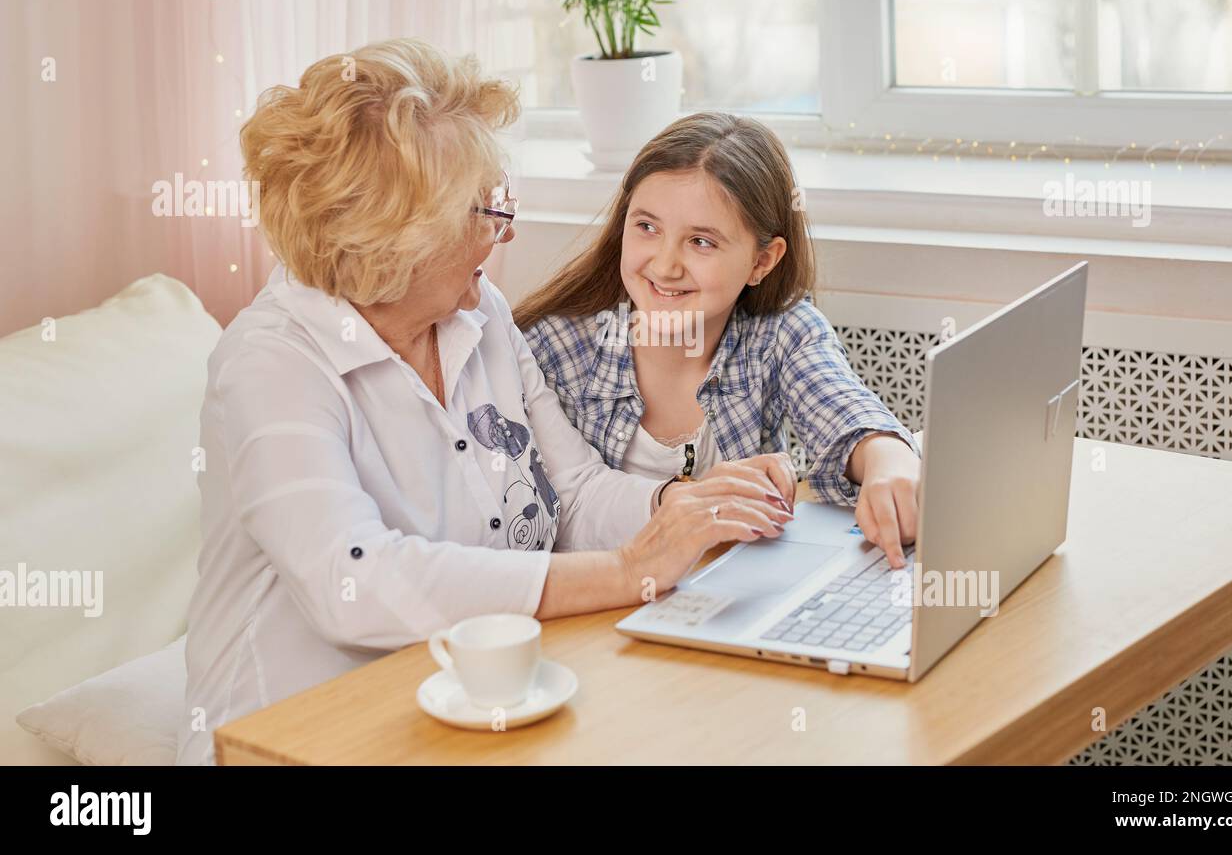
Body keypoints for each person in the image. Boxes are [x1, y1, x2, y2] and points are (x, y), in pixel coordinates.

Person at [177, 42, 794, 765]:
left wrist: (686, 510)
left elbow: (575, 490)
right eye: (481, 210)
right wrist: (627, 571)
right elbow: (354, 579)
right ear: (395, 240)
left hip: (474, 703)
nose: (505, 229)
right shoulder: (271, 362)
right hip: (299, 736)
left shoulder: (477, 313)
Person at [514, 112, 921, 572]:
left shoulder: (780, 334)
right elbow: (540, 515)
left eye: (701, 242)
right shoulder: (554, 349)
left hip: (723, 597)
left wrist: (890, 458)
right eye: (647, 227)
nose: (665, 265)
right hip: (598, 607)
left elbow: (843, 410)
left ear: (762, 261)